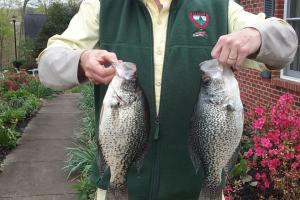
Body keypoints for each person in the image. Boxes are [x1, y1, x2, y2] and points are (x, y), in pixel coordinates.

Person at [38, 0, 298, 199]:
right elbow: (49, 64)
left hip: (198, 190)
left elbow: (286, 44)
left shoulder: (219, 6)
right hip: (121, 190)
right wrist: (80, 61)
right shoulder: (101, 6)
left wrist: (255, 35)